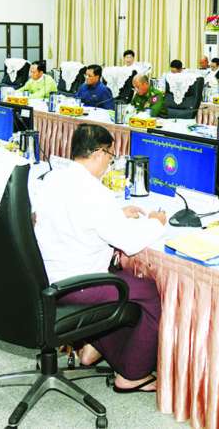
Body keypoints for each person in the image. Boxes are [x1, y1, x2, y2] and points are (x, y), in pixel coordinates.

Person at [32, 124, 165, 393]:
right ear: (98, 153)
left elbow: (76, 217)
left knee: (121, 278)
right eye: (110, 157)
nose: (109, 163)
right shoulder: (95, 192)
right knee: (150, 293)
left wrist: (116, 214)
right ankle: (133, 374)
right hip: (78, 283)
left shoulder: (52, 179)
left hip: (47, 277)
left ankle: (94, 347)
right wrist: (156, 222)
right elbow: (130, 242)